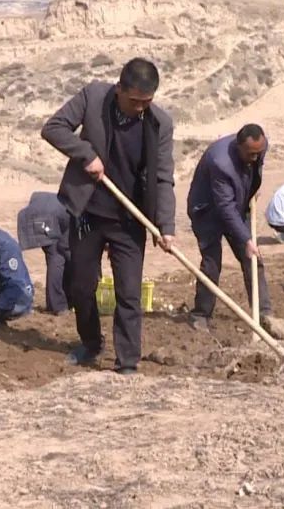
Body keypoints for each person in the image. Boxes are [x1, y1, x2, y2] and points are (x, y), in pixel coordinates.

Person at [40, 58, 176, 375]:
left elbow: (162, 178)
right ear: (119, 90)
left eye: (148, 102)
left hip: (130, 221)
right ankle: (90, 343)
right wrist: (86, 155)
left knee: (128, 292)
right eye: (135, 101)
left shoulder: (160, 123)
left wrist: (165, 226)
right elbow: (53, 128)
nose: (141, 108)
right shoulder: (94, 97)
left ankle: (127, 362)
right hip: (88, 213)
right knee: (81, 287)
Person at [187, 124, 270, 330]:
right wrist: (246, 239)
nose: (255, 158)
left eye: (258, 153)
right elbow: (225, 207)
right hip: (207, 211)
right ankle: (201, 314)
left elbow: (253, 169)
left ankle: (264, 314)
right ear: (239, 147)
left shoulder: (259, 147)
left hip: (235, 206)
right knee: (212, 262)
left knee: (253, 259)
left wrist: (251, 190)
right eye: (251, 154)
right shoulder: (220, 162)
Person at [17, 192, 72, 316]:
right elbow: (65, 247)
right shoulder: (84, 215)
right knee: (57, 258)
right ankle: (58, 306)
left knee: (58, 256)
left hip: (41, 209)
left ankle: (59, 302)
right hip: (49, 217)